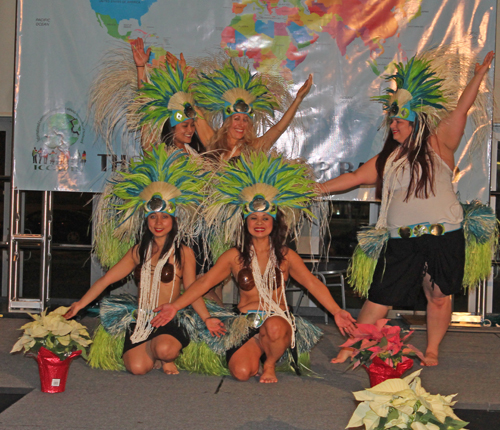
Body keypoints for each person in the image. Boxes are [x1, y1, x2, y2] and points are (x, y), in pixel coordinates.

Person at [319, 50, 494, 367]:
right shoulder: (388, 158)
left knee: (438, 295)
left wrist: (478, 76)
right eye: (392, 119)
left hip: (444, 235)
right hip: (402, 240)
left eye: (399, 119)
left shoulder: (439, 144)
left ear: (416, 120)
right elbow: (353, 178)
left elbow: (461, 110)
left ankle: (433, 350)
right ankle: (351, 347)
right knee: (379, 295)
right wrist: (315, 189)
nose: (393, 124)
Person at [151, 152, 357, 383]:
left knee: (276, 328)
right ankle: (259, 349)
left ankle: (269, 363)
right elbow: (203, 283)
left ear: (274, 222)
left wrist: (336, 311)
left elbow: (311, 283)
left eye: (265, 218)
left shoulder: (286, 256)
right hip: (245, 321)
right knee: (241, 373)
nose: (259, 223)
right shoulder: (233, 257)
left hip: (276, 319)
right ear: (245, 222)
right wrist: (175, 306)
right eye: (254, 219)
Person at [65, 145, 225, 375]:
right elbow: (106, 281)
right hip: (142, 320)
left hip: (170, 316)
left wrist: (207, 319)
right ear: (146, 220)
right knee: (137, 368)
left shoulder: (183, 252)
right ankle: (152, 350)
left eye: (164, 217)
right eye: (152, 217)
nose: (158, 222)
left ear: (174, 220)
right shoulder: (139, 251)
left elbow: (193, 289)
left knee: (166, 350)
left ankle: (166, 355)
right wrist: (80, 304)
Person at [194, 60, 313, 160]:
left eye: (245, 120)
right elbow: (194, 110)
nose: (241, 124)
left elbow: (279, 128)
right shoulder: (212, 142)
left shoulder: (253, 148)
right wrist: (183, 78)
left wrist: (298, 99)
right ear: (227, 121)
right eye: (237, 118)